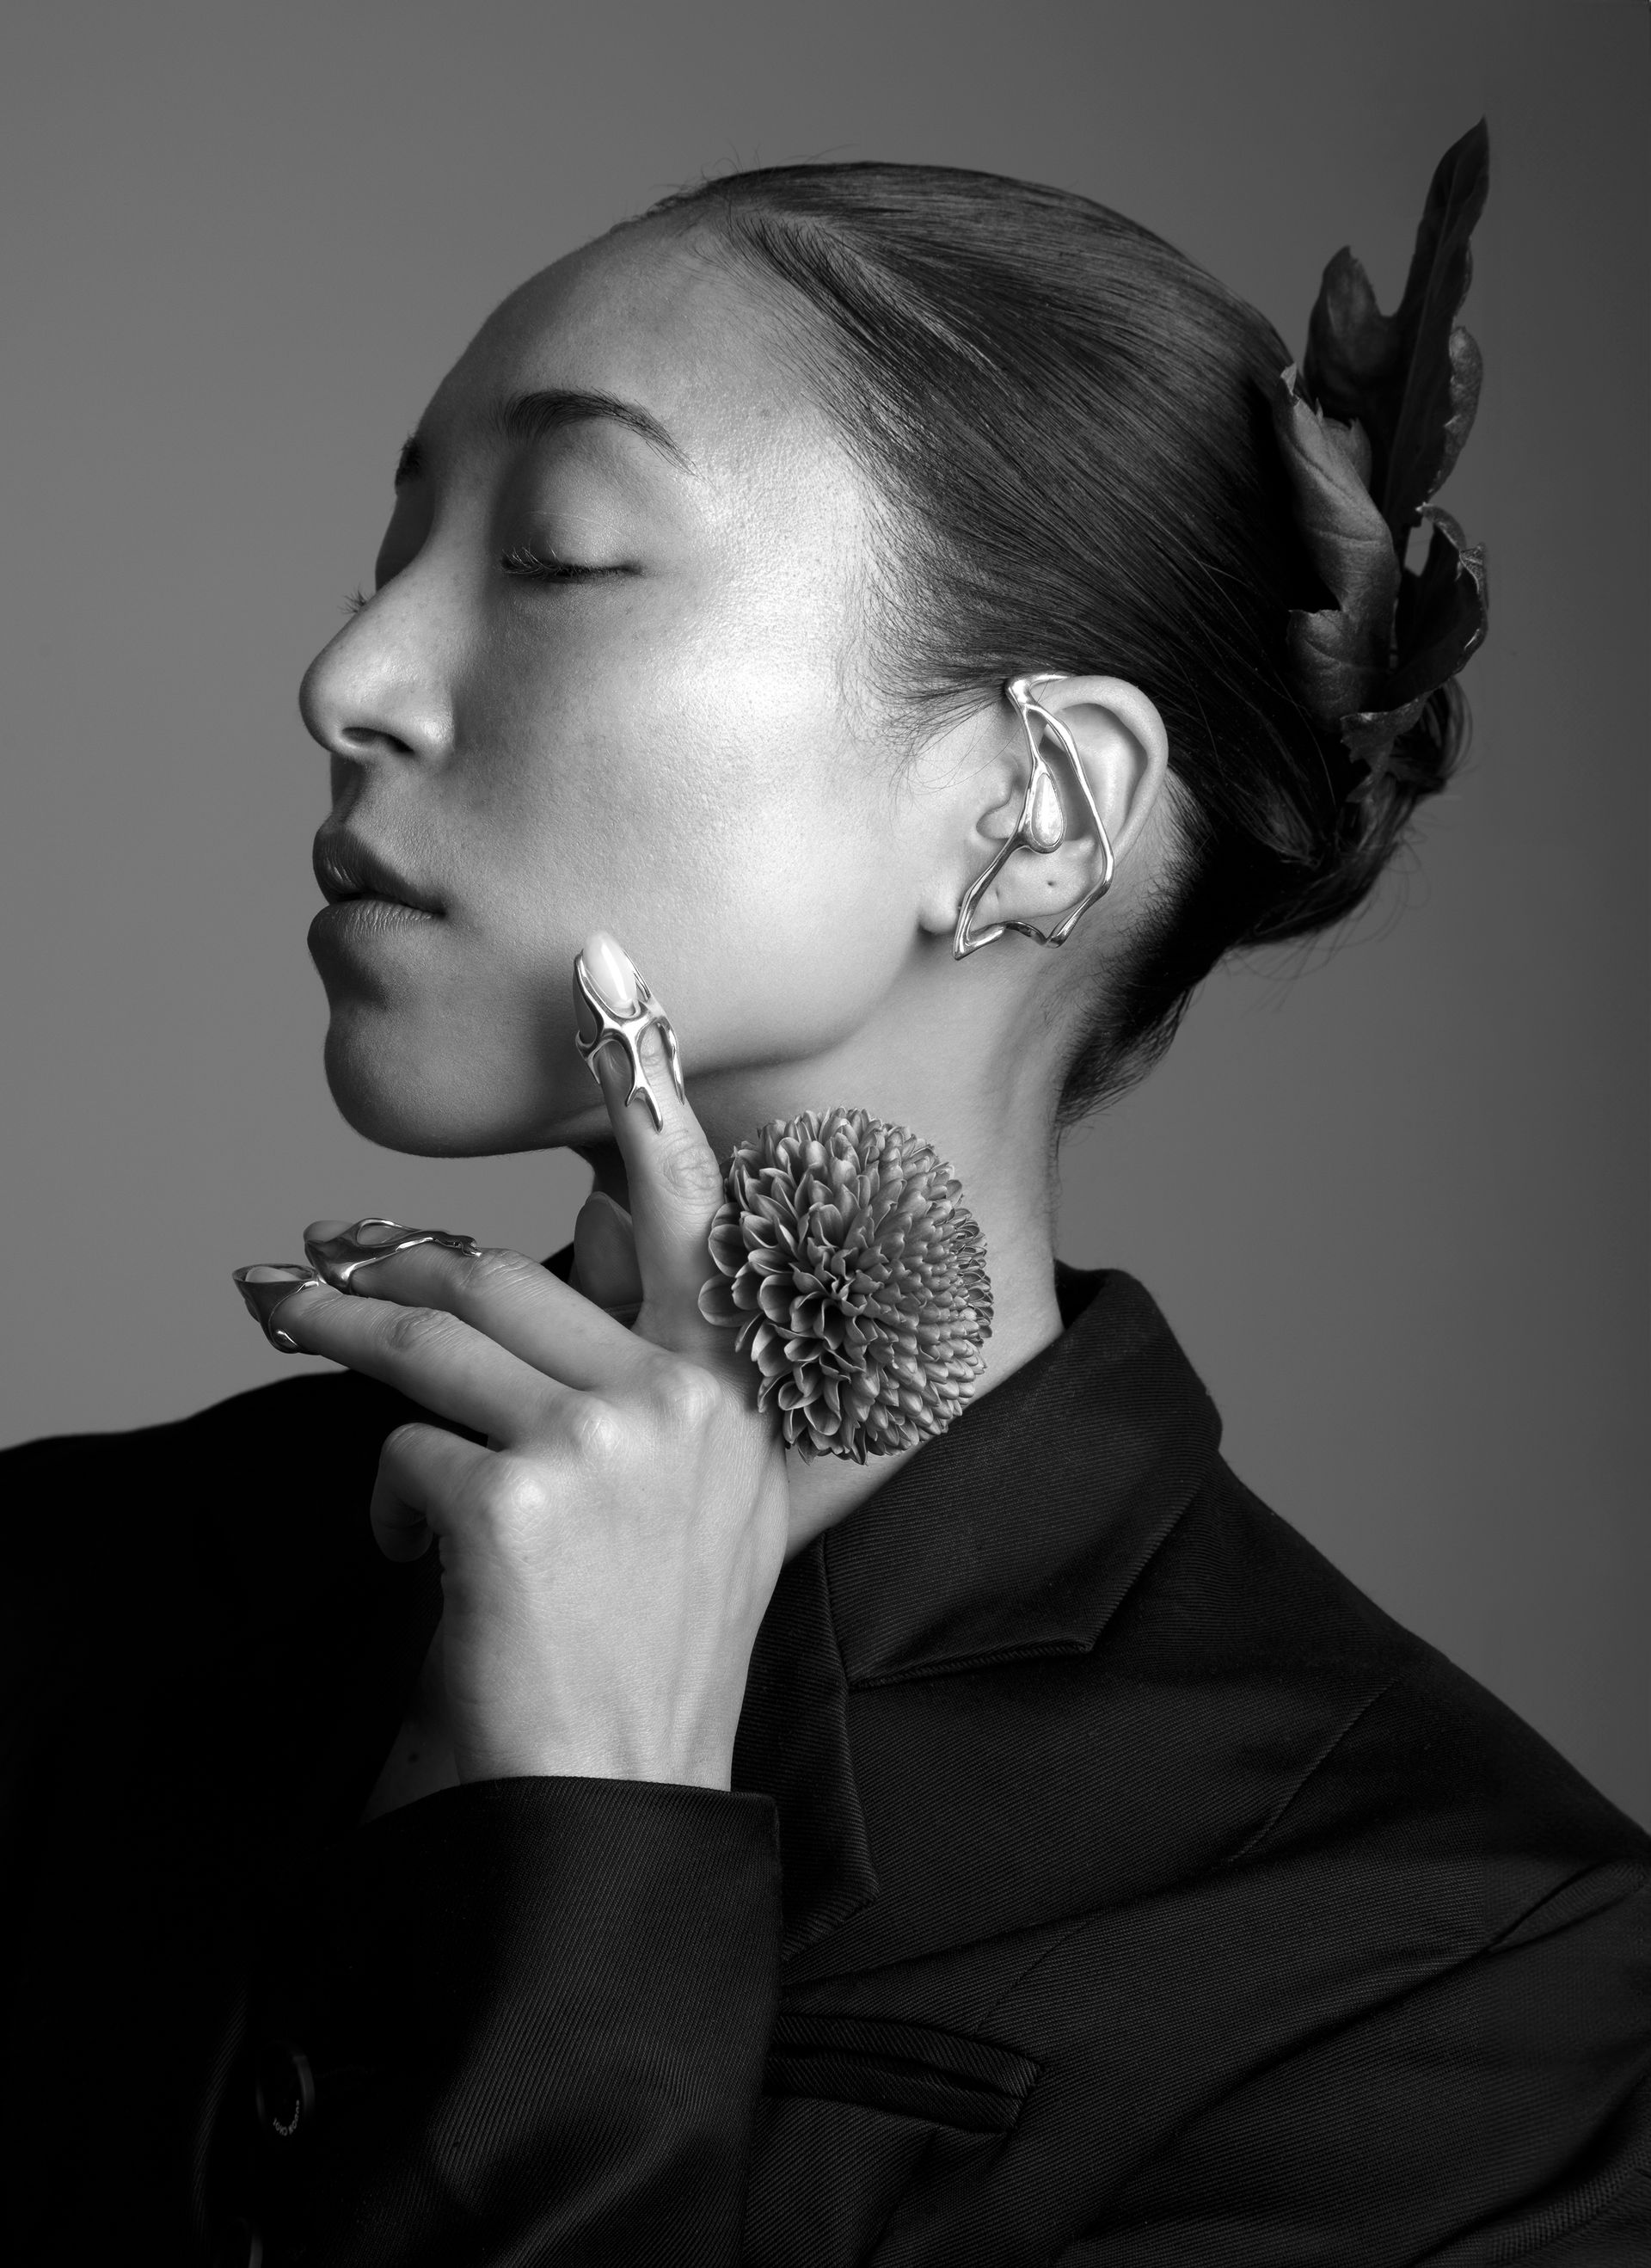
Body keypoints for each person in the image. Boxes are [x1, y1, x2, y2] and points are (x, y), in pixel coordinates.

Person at [3, 130, 1646, 2267]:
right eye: (392, 549)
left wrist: (582, 1851)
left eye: (559, 554)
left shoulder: (1470, 1985)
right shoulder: (68, 1608)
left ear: (1034, 807)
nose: (351, 679)